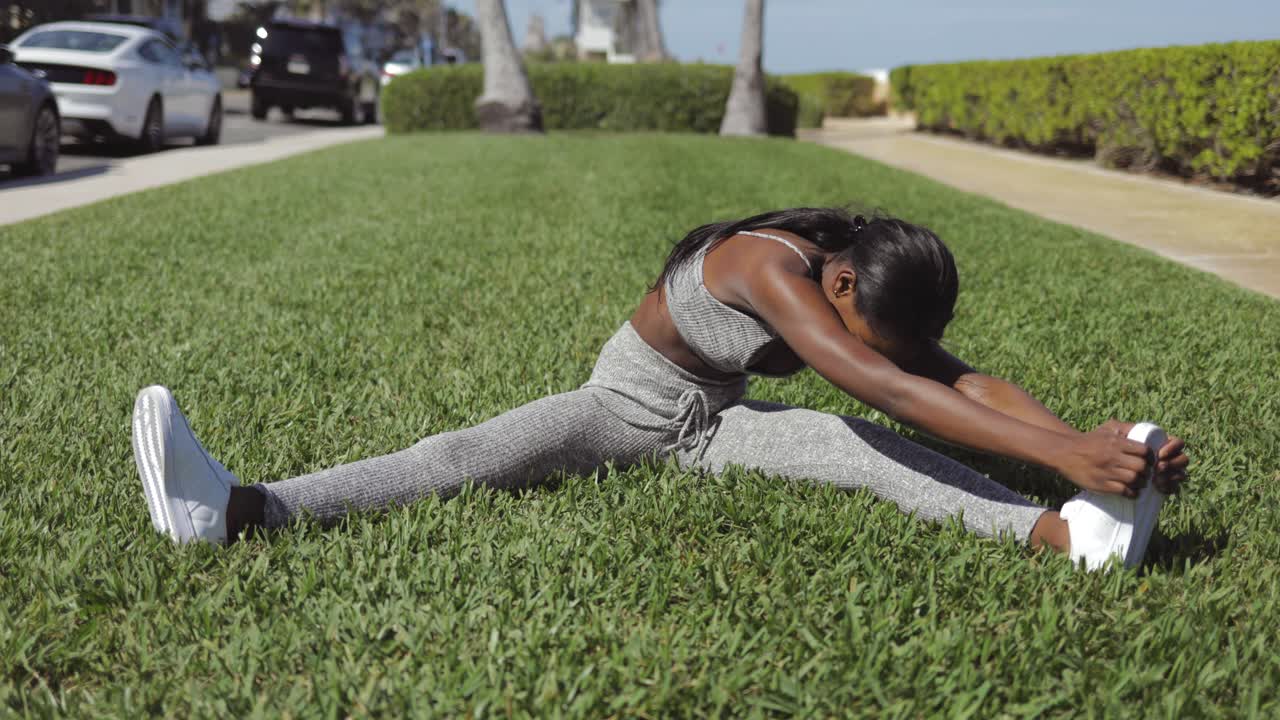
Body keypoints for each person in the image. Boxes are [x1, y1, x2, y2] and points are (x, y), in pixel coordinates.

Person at [131, 208, 1188, 570]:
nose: (895, 349)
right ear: (837, 285)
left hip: (714, 424)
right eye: (877, 329)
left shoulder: (854, 276)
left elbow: (953, 379)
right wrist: (1067, 451)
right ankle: (235, 509)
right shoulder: (764, 268)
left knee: (854, 450)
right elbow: (885, 383)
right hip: (622, 408)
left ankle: (1067, 536)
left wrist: (1089, 450)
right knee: (455, 459)